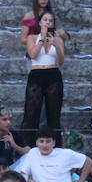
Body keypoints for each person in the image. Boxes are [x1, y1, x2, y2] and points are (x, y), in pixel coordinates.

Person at [22, 9, 67, 138]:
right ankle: (28, 144)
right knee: (31, 112)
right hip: (36, 73)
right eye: (45, 20)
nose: (48, 22)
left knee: (54, 113)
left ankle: (54, 143)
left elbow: (61, 61)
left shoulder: (57, 39)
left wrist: (56, 45)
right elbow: (32, 54)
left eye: (50, 21)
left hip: (53, 73)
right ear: (40, 22)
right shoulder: (32, 37)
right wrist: (42, 39)